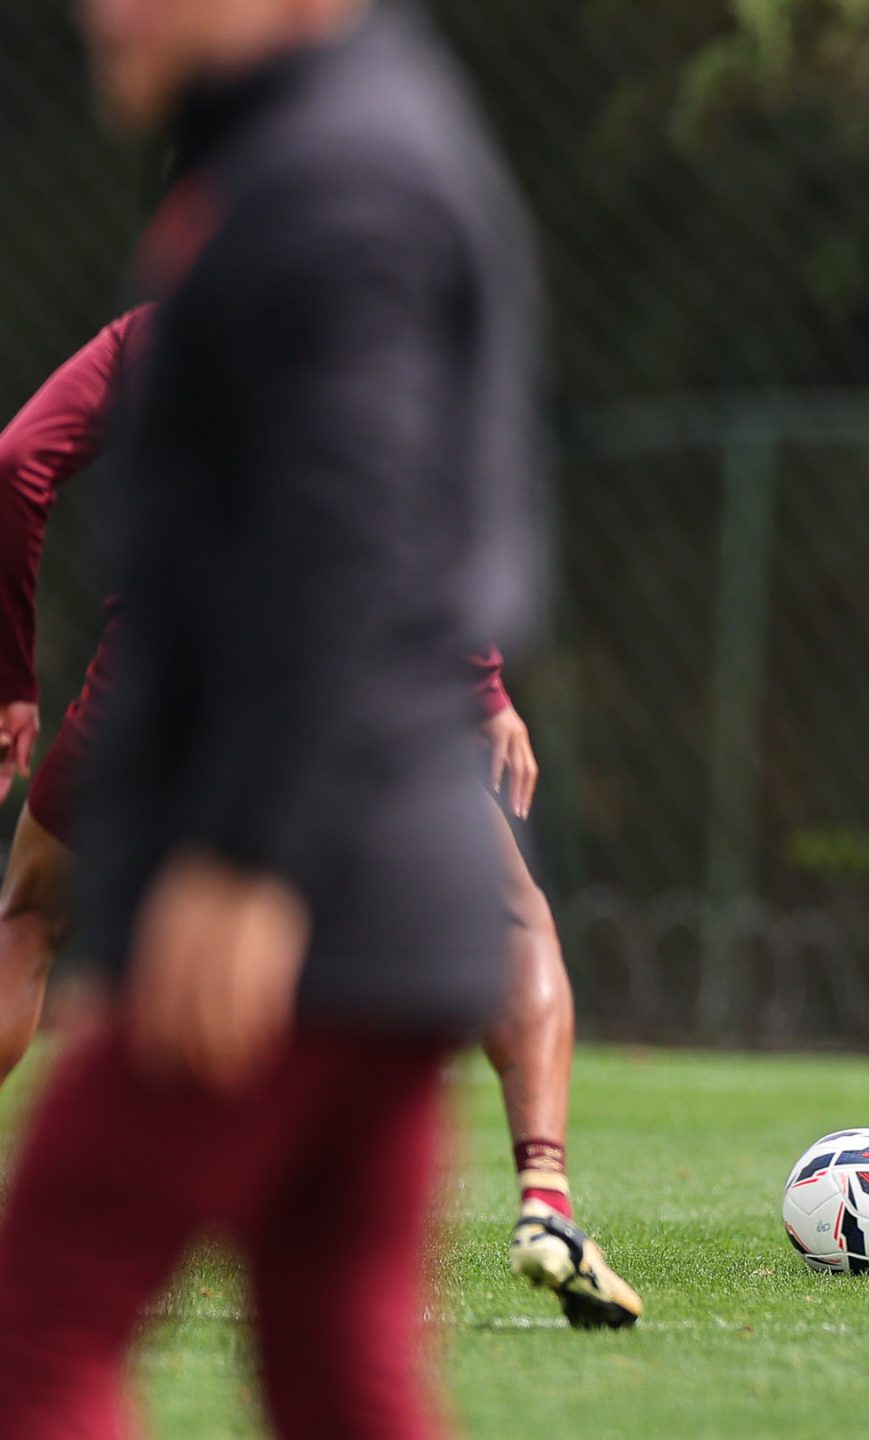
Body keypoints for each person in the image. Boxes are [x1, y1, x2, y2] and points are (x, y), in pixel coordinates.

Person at [0, 0, 564, 1431]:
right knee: (336, 1371)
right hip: (375, 889)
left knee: (39, 1329)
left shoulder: (332, 180)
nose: (105, 13)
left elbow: (350, 544)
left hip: (300, 891)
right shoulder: (337, 142)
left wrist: (249, 852)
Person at [0, 304, 640, 1331]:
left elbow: (16, 461)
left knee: (31, 916)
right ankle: (546, 1203)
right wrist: (482, 685)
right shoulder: (372, 322)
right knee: (513, 915)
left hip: (151, 695)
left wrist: (11, 677)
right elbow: (442, 505)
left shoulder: (163, 324)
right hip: (342, 692)